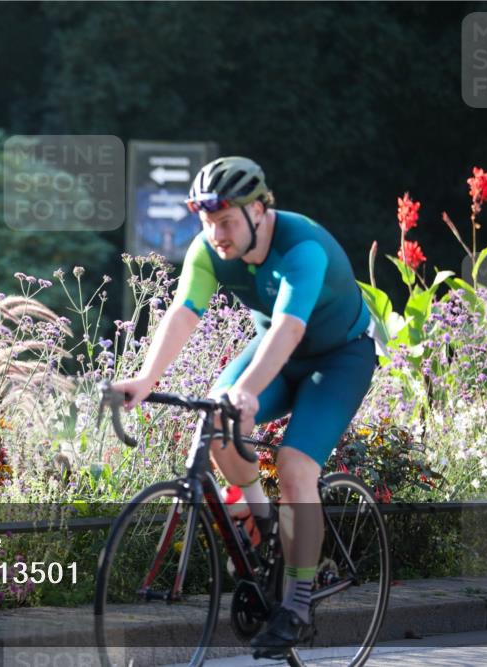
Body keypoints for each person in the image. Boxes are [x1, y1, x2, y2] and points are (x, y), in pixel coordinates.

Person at [111, 156, 378, 655]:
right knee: (214, 420)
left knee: (297, 466)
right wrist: (146, 380)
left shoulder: (303, 247)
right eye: (208, 223)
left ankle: (297, 605)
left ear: (259, 209)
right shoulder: (209, 250)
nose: (217, 234)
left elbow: (289, 328)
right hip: (275, 352)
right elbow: (185, 312)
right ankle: (263, 524)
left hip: (338, 358)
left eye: (227, 221)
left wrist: (248, 389)